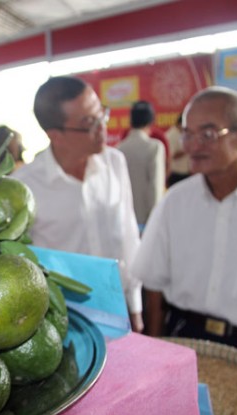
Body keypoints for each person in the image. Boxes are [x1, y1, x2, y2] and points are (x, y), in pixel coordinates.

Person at [132, 86, 237, 375]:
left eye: (207, 134)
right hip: (183, 338)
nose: (192, 146)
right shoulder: (174, 202)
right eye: (187, 134)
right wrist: (154, 359)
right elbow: (153, 288)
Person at [11, 76, 144, 332]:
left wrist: (135, 306)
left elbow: (128, 239)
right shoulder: (24, 187)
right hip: (65, 321)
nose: (103, 128)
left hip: (119, 309)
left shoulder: (115, 164)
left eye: (101, 114)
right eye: (89, 123)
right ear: (55, 135)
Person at [117, 101, 165, 226]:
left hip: (124, 219)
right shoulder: (154, 147)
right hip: (147, 220)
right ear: (151, 121)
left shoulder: (118, 149)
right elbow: (155, 187)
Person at [166, 114, 191, 187]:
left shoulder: (183, 134)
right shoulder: (171, 135)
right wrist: (186, 150)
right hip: (175, 174)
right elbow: (171, 156)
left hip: (185, 173)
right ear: (180, 123)